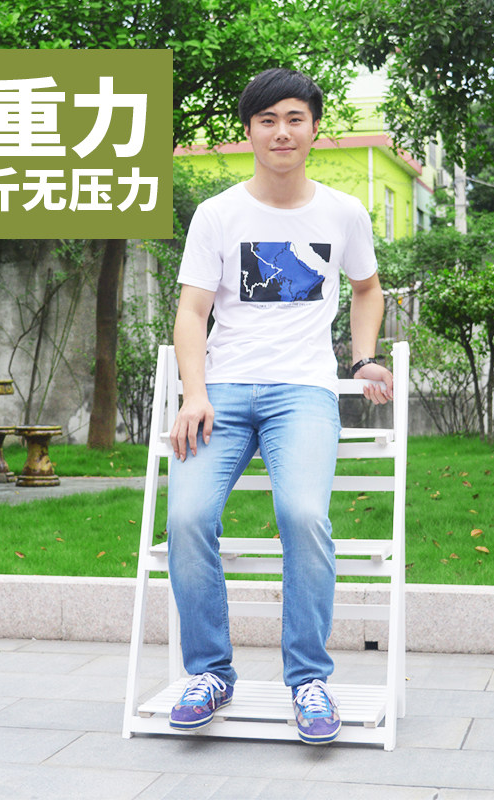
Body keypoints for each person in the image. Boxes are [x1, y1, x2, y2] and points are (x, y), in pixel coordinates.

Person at [165, 67, 393, 745]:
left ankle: (309, 681)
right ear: (250, 132)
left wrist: (362, 358)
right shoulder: (218, 214)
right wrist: (195, 393)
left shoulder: (343, 213)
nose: (282, 132)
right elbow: (191, 311)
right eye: (267, 120)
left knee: (303, 516)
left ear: (315, 128)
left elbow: (367, 289)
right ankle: (210, 673)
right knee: (187, 518)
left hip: (303, 394)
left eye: (295, 118)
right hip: (224, 393)